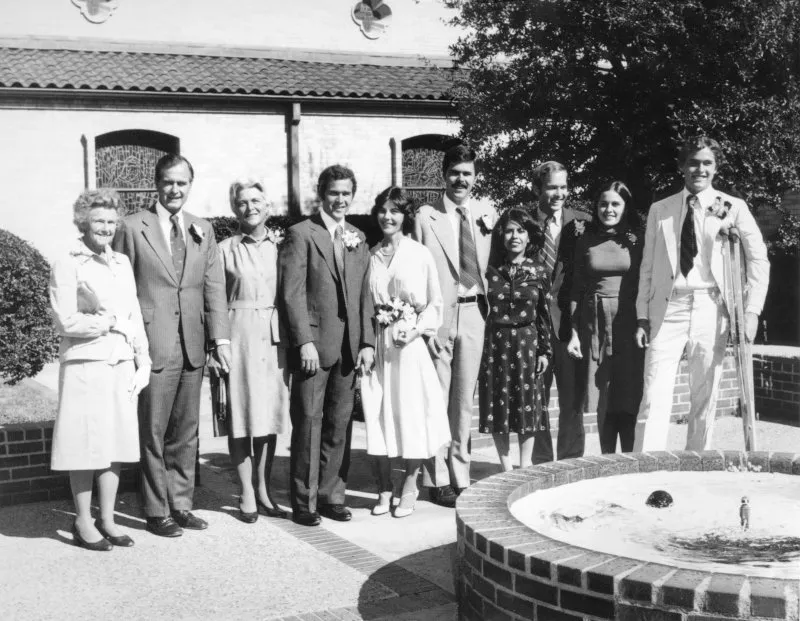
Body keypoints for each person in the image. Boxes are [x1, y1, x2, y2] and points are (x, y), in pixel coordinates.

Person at [114, 154, 231, 538]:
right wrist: (130, 343)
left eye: (182, 183)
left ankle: (181, 504)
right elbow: (121, 287)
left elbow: (213, 286)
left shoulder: (202, 228)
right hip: (153, 342)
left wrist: (220, 339)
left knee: (186, 430)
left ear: (190, 185)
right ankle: (155, 508)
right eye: (168, 182)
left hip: (193, 344)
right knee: (153, 429)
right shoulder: (132, 227)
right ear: (156, 183)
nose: (175, 189)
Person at [634, 136, 770, 451]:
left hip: (712, 308)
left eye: (707, 163)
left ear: (715, 168)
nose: (700, 169)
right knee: (653, 397)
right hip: (668, 308)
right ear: (681, 166)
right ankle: (644, 473)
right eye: (693, 162)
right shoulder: (661, 209)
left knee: (704, 398)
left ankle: (697, 468)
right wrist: (642, 315)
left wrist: (751, 312)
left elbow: (758, 259)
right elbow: (647, 268)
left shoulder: (729, 206)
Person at [50, 189, 151, 551]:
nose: (105, 228)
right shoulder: (69, 261)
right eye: (98, 221)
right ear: (83, 222)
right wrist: (108, 322)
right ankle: (83, 519)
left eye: (111, 221)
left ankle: (108, 517)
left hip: (120, 363)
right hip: (85, 363)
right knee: (86, 443)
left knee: (116, 443)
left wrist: (143, 356)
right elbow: (65, 320)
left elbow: (134, 314)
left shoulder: (122, 262)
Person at [279, 164, 375, 527]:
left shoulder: (357, 237)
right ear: (321, 193)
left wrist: (367, 342)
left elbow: (364, 294)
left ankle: (332, 495)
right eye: (334, 192)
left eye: (346, 193)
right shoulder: (300, 234)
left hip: (349, 348)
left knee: (339, 425)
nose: (340, 199)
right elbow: (292, 294)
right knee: (308, 423)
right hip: (314, 348)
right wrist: (303, 341)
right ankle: (304, 501)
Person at [359, 186, 451, 518]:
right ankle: (385, 488)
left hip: (409, 347)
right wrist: (367, 343)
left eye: (395, 211)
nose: (388, 216)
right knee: (378, 414)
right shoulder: (368, 256)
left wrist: (415, 331)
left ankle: (410, 485)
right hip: (379, 346)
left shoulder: (419, 254)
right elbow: (363, 306)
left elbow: (434, 304)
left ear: (404, 216)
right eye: (383, 210)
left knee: (411, 415)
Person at [413, 144, 496, 507]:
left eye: (467, 173)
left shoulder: (485, 213)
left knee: (463, 401)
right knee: (438, 399)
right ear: (443, 175)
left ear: (475, 178)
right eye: (455, 172)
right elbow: (417, 272)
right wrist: (425, 325)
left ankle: (461, 472)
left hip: (475, 312)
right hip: (440, 319)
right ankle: (437, 478)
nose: (460, 179)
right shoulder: (426, 217)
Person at [210, 179, 290, 523]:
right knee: (240, 416)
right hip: (238, 335)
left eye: (257, 200)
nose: (250, 207)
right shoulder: (223, 248)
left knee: (268, 416)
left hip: (273, 340)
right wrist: (217, 345)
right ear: (234, 208)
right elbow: (211, 300)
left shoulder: (283, 247)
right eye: (242, 202)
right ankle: (245, 492)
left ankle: (263, 488)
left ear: (268, 205)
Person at [566, 181, 643, 454]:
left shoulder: (636, 239)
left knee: (628, 391)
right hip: (594, 323)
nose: (608, 209)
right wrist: (574, 332)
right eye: (603, 203)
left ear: (625, 207)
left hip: (628, 322)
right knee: (603, 394)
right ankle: (607, 459)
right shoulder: (585, 239)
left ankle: (632, 459)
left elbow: (646, 283)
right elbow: (576, 286)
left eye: (615, 204)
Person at [478, 208, 552, 470]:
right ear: (502, 235)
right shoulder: (490, 271)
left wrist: (545, 351)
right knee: (498, 403)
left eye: (520, 231)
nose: (514, 236)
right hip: (496, 343)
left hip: (527, 342)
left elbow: (543, 314)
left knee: (527, 403)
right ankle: (505, 466)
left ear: (529, 236)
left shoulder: (539, 271)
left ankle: (525, 465)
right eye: (509, 230)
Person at [528, 161, 591, 463]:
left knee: (572, 401)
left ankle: (570, 463)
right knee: (536, 399)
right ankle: (540, 465)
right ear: (537, 188)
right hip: (531, 326)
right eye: (552, 187)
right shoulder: (520, 222)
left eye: (563, 187)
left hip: (570, 325)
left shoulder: (583, 222)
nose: (559, 193)